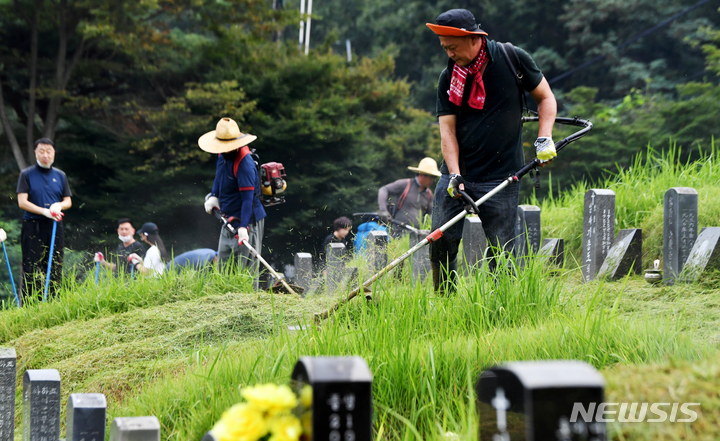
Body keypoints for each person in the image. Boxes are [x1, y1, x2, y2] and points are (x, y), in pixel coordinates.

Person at [426, 9, 557, 291]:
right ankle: (444, 299)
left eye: (453, 47)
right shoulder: (449, 77)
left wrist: (544, 138)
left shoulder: (513, 59)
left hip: (502, 175)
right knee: (440, 240)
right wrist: (454, 175)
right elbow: (447, 131)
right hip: (458, 173)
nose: (449, 54)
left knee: (502, 250)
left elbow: (546, 98)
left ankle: (500, 303)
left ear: (474, 38)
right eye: (444, 48)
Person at [200, 118, 266, 289]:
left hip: (248, 220)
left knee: (245, 270)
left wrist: (244, 227)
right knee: (223, 266)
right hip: (227, 218)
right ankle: (224, 297)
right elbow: (219, 176)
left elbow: (248, 200)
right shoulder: (221, 154)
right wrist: (214, 196)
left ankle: (249, 300)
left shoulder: (244, 164)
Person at [16, 137, 72, 303]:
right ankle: (29, 306)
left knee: (54, 264)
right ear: (36, 153)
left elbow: (68, 201)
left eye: (49, 151)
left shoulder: (60, 175)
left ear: (54, 153)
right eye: (41, 151)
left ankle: (52, 304)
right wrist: (44, 211)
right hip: (33, 225)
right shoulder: (26, 174)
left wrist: (59, 206)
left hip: (55, 225)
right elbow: (22, 202)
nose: (45, 155)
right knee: (32, 266)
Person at [377, 157, 440, 236]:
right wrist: (383, 210)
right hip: (397, 234)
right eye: (431, 177)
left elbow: (431, 214)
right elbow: (383, 190)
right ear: (421, 174)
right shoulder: (405, 185)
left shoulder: (429, 195)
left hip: (416, 236)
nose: (432, 180)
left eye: (434, 177)